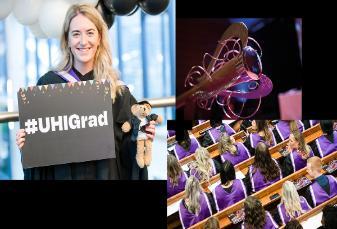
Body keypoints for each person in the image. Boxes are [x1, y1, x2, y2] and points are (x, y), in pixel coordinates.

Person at [15, 4, 156, 180]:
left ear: (99, 38)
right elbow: (41, 155)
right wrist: (28, 146)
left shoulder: (117, 91)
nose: (83, 41)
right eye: (76, 34)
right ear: (67, 40)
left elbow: (127, 153)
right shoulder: (49, 86)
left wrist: (142, 136)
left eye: (90, 33)